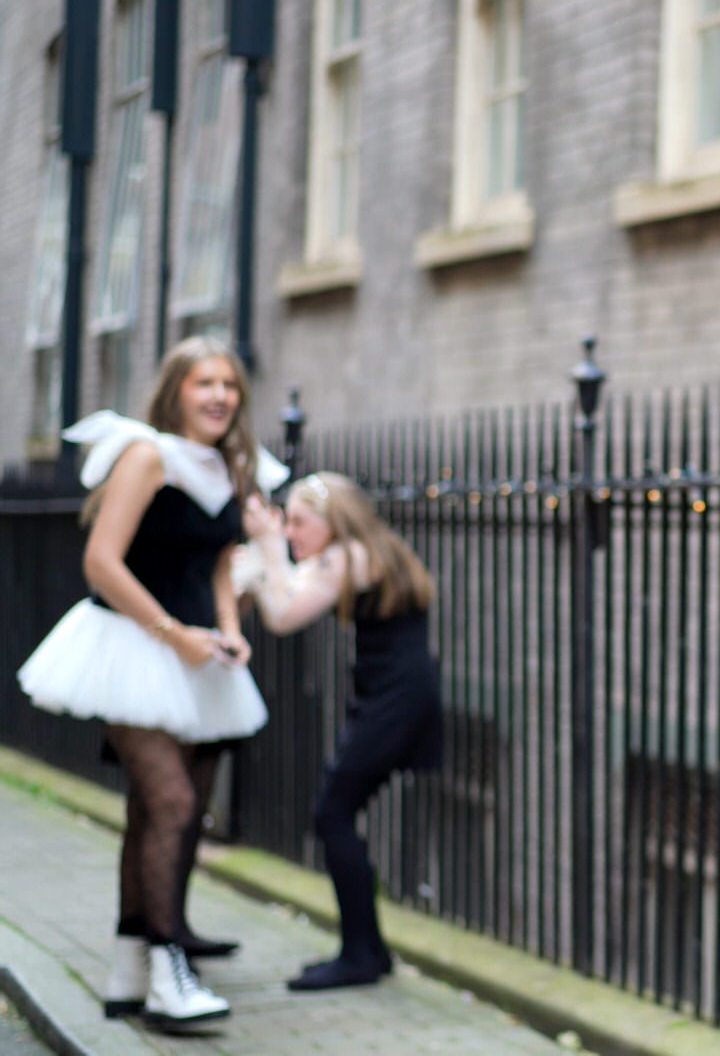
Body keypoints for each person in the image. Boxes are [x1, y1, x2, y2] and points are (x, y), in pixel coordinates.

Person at [17, 336, 286, 1032]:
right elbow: (101, 562)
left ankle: (127, 967)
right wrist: (174, 633)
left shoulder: (230, 465)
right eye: (205, 382)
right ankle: (169, 974)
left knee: (167, 808)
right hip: (132, 646)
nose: (220, 395)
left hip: (200, 655)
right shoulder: (148, 455)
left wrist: (228, 625)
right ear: (176, 390)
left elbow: (224, 562)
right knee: (168, 798)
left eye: (229, 384)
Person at [239, 472, 444, 992]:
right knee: (337, 812)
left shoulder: (343, 557)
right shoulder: (372, 550)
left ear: (333, 520)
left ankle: (360, 954)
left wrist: (263, 550)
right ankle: (368, 949)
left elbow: (284, 615)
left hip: (392, 701)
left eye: (300, 521)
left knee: (332, 813)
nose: (291, 532)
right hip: (395, 694)